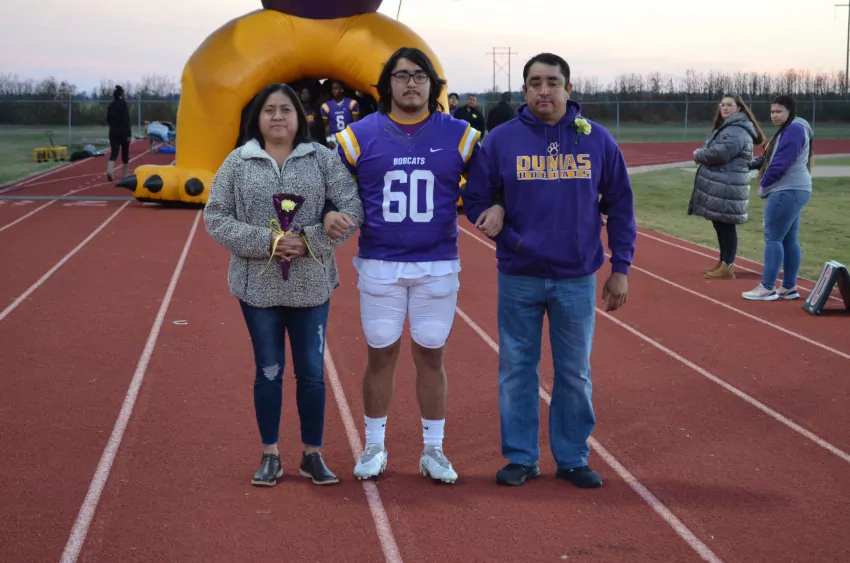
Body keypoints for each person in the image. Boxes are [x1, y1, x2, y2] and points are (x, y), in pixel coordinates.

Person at [461, 52, 637, 488]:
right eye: (535, 82)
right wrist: (498, 214)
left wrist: (621, 266)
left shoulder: (596, 139)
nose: (544, 90)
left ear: (568, 89)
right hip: (519, 273)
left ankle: (573, 457)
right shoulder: (500, 141)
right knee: (516, 369)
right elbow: (477, 197)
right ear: (524, 90)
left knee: (574, 372)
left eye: (553, 82)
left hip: (576, 277)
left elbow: (620, 205)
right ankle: (521, 457)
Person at [324, 46, 482, 484]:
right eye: (401, 75)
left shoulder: (460, 134)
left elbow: (490, 185)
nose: (411, 83)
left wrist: (496, 206)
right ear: (387, 84)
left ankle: (433, 449)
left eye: (419, 75)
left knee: (431, 353)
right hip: (380, 262)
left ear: (432, 84)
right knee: (381, 352)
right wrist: (328, 212)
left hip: (437, 262)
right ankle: (374, 444)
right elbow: (328, 186)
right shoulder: (360, 135)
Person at [203, 83, 364, 487]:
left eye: (286, 109)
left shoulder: (322, 158)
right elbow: (216, 216)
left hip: (310, 286)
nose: (278, 116)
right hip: (258, 289)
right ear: (256, 118)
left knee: (311, 373)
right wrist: (269, 242)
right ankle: (270, 454)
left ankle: (312, 454)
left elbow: (352, 206)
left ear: (299, 117)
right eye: (269, 109)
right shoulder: (238, 162)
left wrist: (311, 238)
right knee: (269, 370)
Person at [742, 95, 814, 301]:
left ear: (790, 111)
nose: (774, 115)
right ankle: (789, 287)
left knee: (773, 237)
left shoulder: (794, 130)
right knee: (789, 238)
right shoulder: (791, 129)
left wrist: (763, 185)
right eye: (772, 111)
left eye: (779, 111)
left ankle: (767, 287)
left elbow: (781, 163)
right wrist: (752, 164)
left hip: (787, 189)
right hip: (796, 188)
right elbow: (772, 157)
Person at [688, 93, 765, 280]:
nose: (724, 108)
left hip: (729, 184)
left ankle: (728, 266)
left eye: (729, 105)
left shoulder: (736, 130)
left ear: (739, 108)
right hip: (724, 182)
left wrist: (699, 154)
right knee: (720, 223)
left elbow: (720, 154)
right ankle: (724, 262)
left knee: (726, 226)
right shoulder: (730, 127)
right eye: (722, 104)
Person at [106, 85, 132, 181]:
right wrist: (129, 134)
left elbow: (108, 119)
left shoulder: (111, 105)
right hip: (123, 132)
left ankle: (109, 170)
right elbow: (126, 120)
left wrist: (112, 126)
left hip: (113, 131)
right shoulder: (124, 104)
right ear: (121, 94)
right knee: (125, 152)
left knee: (114, 152)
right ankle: (125, 174)